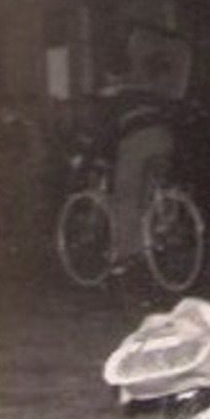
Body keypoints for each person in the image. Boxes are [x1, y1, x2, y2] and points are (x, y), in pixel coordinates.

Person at [90, 54, 178, 265]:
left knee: (126, 196)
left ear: (108, 75)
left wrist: (98, 159)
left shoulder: (110, 98)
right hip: (164, 138)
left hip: (138, 141)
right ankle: (161, 228)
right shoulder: (146, 90)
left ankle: (127, 253)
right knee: (149, 190)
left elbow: (107, 132)